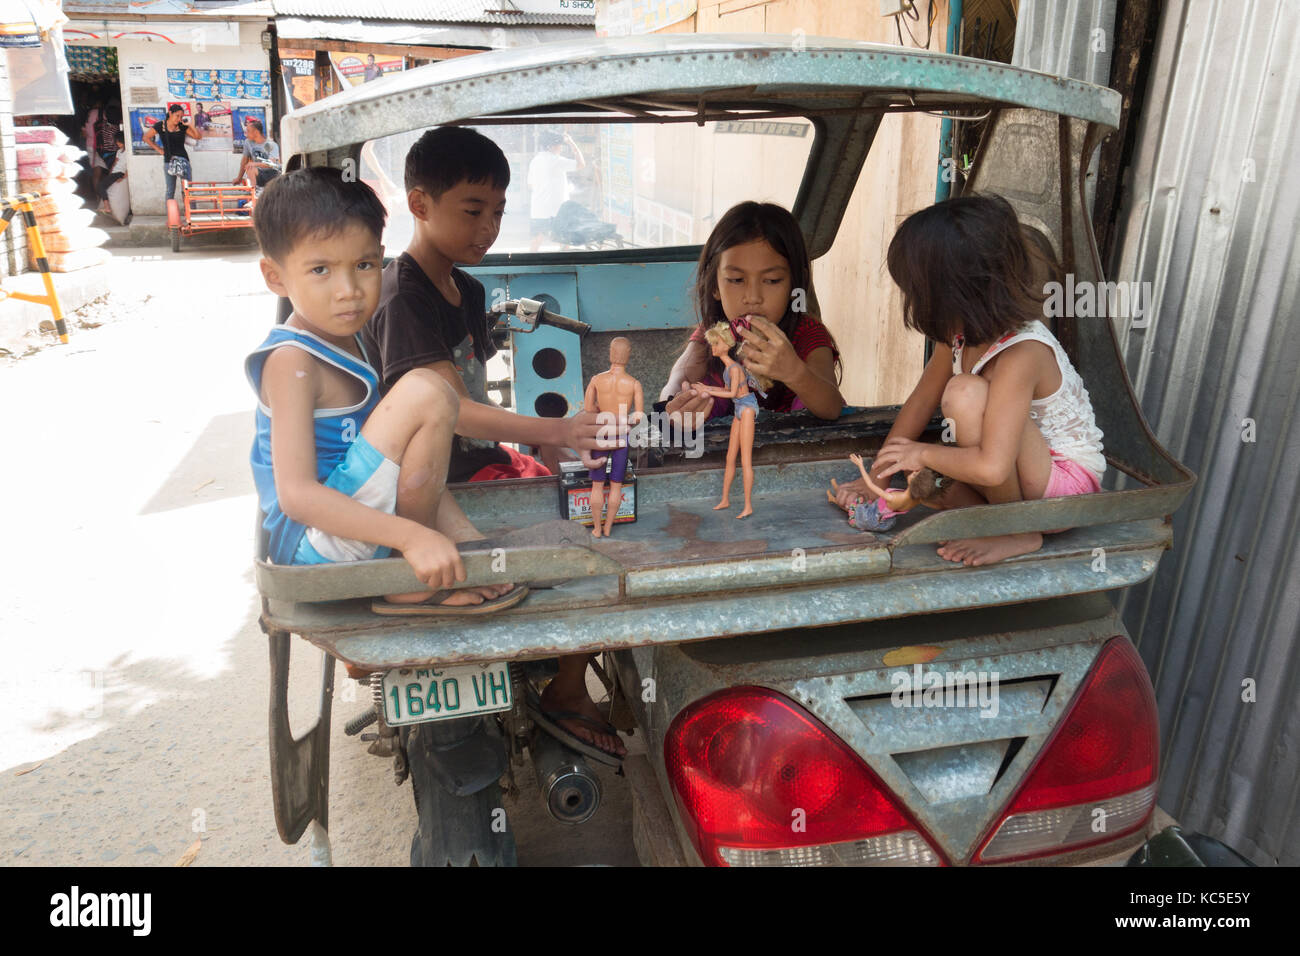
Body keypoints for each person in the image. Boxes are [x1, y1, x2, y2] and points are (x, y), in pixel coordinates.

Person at [361, 125, 625, 760]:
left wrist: (554, 451)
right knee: (588, 545)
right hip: (430, 482)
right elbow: (458, 413)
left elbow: (477, 397)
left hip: (481, 462)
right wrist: (555, 431)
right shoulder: (402, 296)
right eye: (472, 210)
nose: (489, 228)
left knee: (597, 499)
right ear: (419, 205)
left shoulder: (469, 288)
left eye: (499, 212)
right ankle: (565, 684)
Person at [245, 167, 524, 619]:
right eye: (320, 270)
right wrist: (411, 539)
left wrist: (470, 542)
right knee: (427, 391)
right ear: (275, 277)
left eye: (364, 266)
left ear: (381, 258)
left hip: (350, 526)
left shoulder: (351, 339)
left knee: (433, 391)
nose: (349, 291)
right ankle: (404, 579)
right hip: (312, 543)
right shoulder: (291, 360)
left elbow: (412, 465)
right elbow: (296, 496)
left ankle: (427, 558)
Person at [833, 193, 1106, 566]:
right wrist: (878, 478)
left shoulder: (1022, 354)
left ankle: (1017, 531)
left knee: (964, 395)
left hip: (1061, 489)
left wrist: (923, 452)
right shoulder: (960, 333)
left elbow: (993, 466)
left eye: (916, 292)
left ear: (951, 295)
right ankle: (994, 519)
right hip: (1013, 473)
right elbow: (920, 402)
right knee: (925, 484)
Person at [660, 201, 845, 435]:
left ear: (794, 285)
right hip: (728, 452)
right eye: (737, 280)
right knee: (704, 394)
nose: (753, 297)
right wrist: (676, 405)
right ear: (715, 286)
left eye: (772, 281)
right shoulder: (714, 333)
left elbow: (832, 406)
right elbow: (678, 380)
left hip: (794, 450)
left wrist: (794, 372)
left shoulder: (807, 332)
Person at [688, 323, 760, 518]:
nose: (713, 348)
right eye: (712, 344)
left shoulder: (735, 369)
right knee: (730, 457)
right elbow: (726, 391)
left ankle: (747, 505)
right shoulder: (728, 369)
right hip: (739, 408)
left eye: (716, 343)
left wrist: (707, 390)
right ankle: (725, 499)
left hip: (746, 409)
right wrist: (706, 388)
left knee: (745, 459)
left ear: (726, 345)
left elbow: (732, 393)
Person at [584, 337, 643, 538]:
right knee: (616, 483)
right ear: (628, 355)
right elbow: (638, 416)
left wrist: (602, 411)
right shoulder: (634, 384)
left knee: (597, 484)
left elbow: (588, 409)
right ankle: (608, 527)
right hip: (621, 435)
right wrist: (623, 418)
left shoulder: (596, 380)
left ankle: (597, 529)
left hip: (601, 433)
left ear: (610, 353)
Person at [526, 129, 584, 252]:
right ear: (551, 146)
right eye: (560, 145)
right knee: (564, 244)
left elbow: (530, 185)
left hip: (538, 210)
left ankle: (529, 268)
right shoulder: (556, 161)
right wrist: (572, 143)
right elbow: (581, 164)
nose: (561, 148)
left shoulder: (535, 161)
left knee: (535, 244)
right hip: (557, 211)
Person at [143, 104, 202, 202]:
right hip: (168, 161)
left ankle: (191, 215)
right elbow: (146, 137)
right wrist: (159, 150)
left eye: (181, 117)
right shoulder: (160, 125)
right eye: (177, 116)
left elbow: (198, 137)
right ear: (170, 113)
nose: (179, 119)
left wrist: (190, 125)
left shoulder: (182, 126)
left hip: (183, 161)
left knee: (188, 190)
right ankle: (171, 216)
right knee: (170, 191)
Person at [234, 117, 281, 189]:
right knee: (249, 168)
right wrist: (239, 178)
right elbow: (244, 161)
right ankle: (255, 190)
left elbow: (272, 164)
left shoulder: (270, 144)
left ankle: (264, 190)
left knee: (252, 166)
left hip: (272, 174)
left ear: (256, 132)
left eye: (248, 131)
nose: (246, 134)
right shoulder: (248, 142)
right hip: (259, 173)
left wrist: (255, 163)